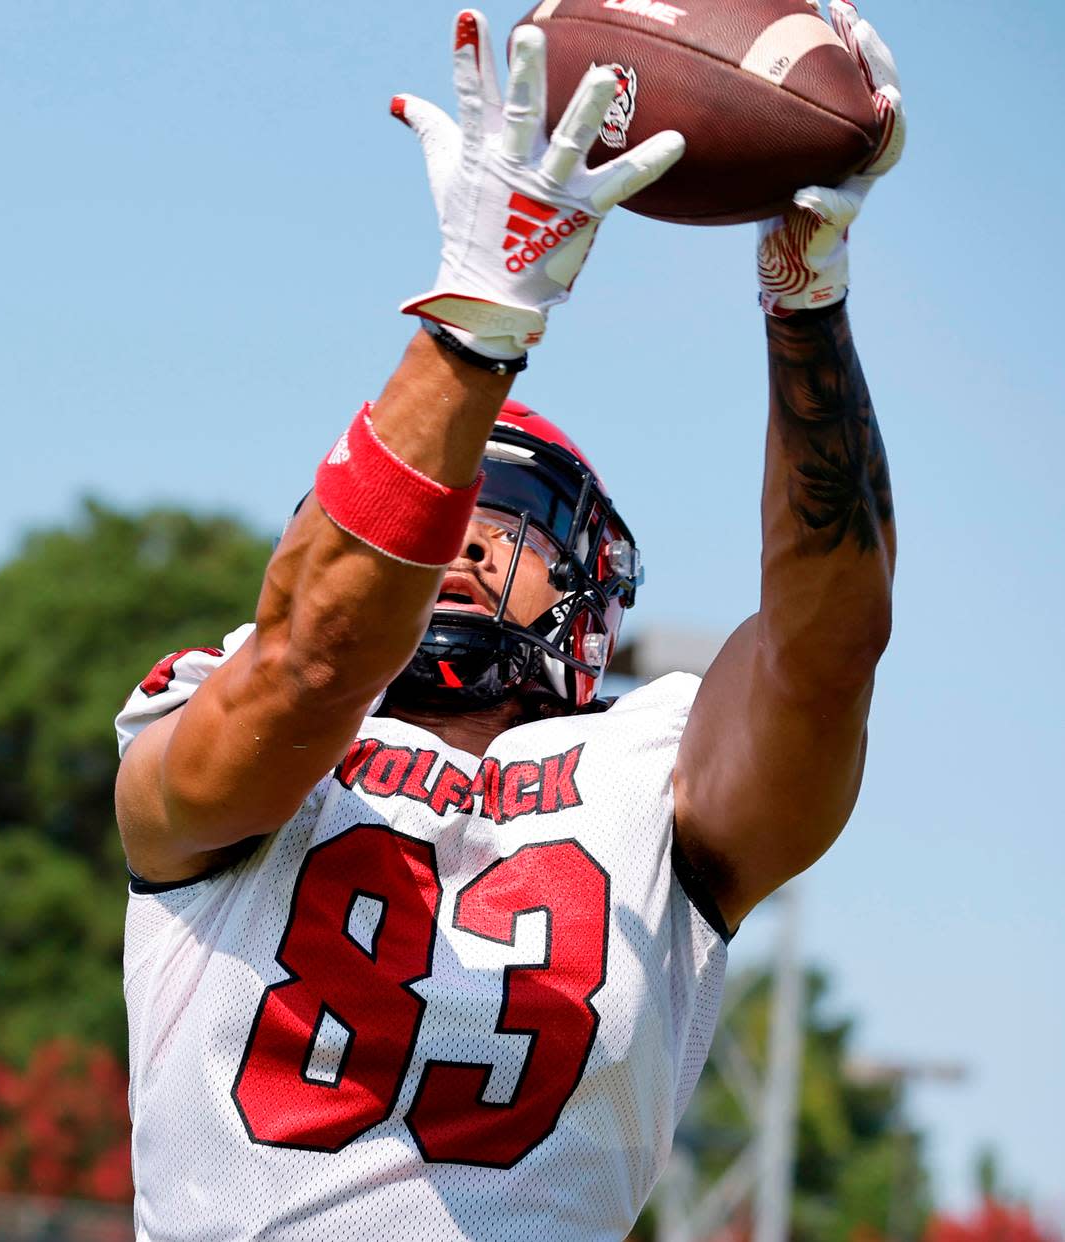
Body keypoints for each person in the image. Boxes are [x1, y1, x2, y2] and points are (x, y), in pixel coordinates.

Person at [114, 6, 904, 1240]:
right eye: (446, 504)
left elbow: (828, 653)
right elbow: (315, 665)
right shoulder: (211, 708)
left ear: (589, 578)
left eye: (513, 516)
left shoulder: (662, 769)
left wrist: (808, 305)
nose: (466, 536)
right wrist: (479, 317)